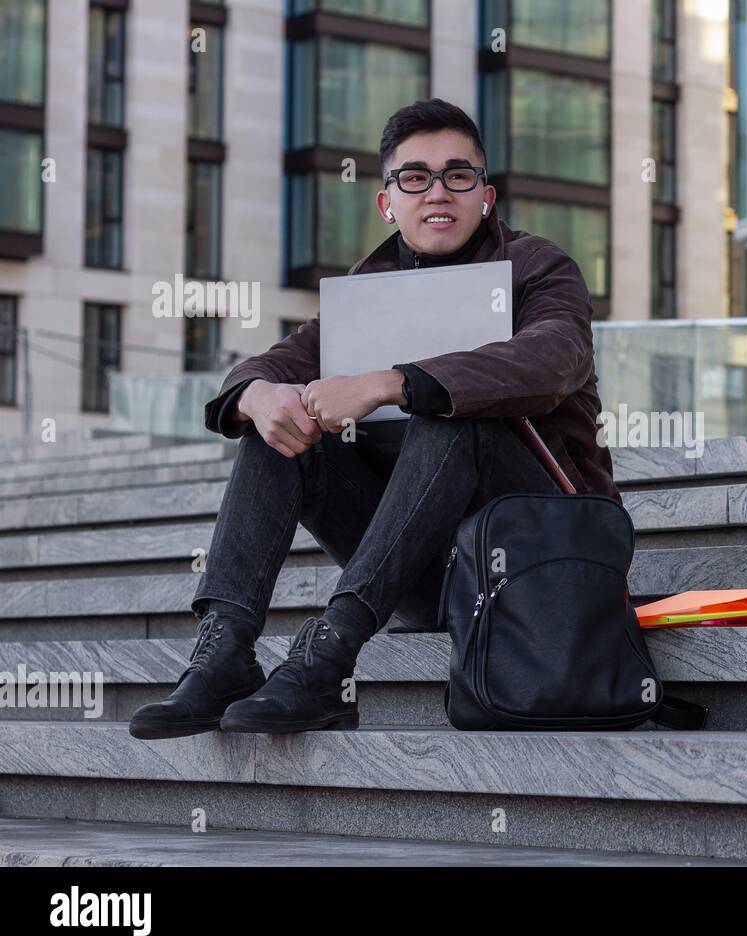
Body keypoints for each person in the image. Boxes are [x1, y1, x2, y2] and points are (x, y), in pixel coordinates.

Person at [129, 98, 619, 740]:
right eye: (415, 177)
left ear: (486, 195)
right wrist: (255, 397)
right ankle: (225, 652)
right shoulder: (367, 288)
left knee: (453, 408)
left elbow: (556, 358)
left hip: (539, 559)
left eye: (458, 175)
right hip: (426, 572)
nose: (437, 191)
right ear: (387, 201)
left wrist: (393, 383)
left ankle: (330, 653)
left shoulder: (538, 268)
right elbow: (268, 365)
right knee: (279, 421)